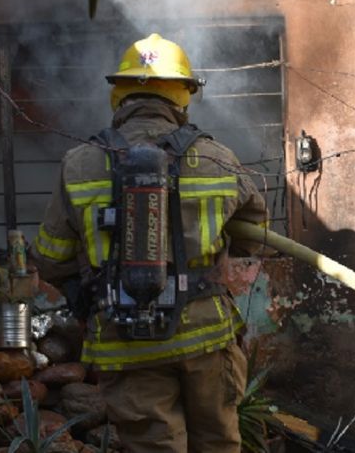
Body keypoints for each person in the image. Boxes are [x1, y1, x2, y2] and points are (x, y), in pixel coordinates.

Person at [29, 33, 268, 453]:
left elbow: (50, 257)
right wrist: (220, 256)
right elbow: (254, 227)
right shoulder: (216, 158)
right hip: (206, 335)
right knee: (219, 444)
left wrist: (86, 289)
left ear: (118, 94)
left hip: (125, 338)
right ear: (183, 94)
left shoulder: (80, 163)